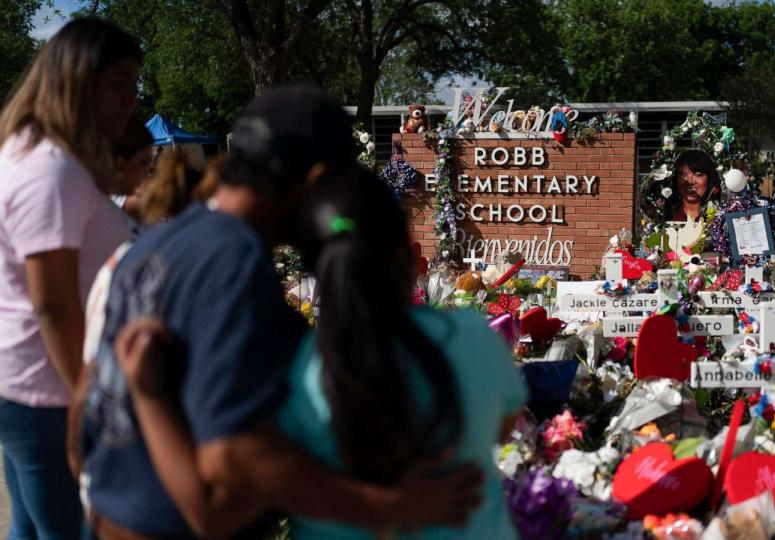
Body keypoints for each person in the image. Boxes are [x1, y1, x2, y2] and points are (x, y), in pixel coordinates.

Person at [76, 86, 485, 539]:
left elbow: (83, 407)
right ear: (315, 180)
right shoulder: (233, 261)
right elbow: (232, 458)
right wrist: (390, 507)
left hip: (108, 515)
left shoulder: (153, 243)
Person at [114, 165, 527, 539]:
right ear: (407, 245)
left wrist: (149, 396)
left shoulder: (296, 366)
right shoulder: (474, 337)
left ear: (310, 262)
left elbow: (218, 506)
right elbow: (504, 427)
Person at [0, 18, 140, 539]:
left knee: (31, 530)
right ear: (78, 81)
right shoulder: (48, 168)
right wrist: (88, 396)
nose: (130, 100)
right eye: (118, 83)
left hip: (31, 384)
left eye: (133, 84)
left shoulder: (35, 153)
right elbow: (53, 303)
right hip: (49, 392)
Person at [112, 118, 154, 223]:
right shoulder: (113, 199)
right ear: (120, 162)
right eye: (143, 163)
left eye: (149, 163)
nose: (147, 171)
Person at [665, 149, 719, 221]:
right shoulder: (665, 216)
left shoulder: (721, 217)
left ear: (710, 179)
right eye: (683, 175)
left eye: (698, 175)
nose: (690, 181)